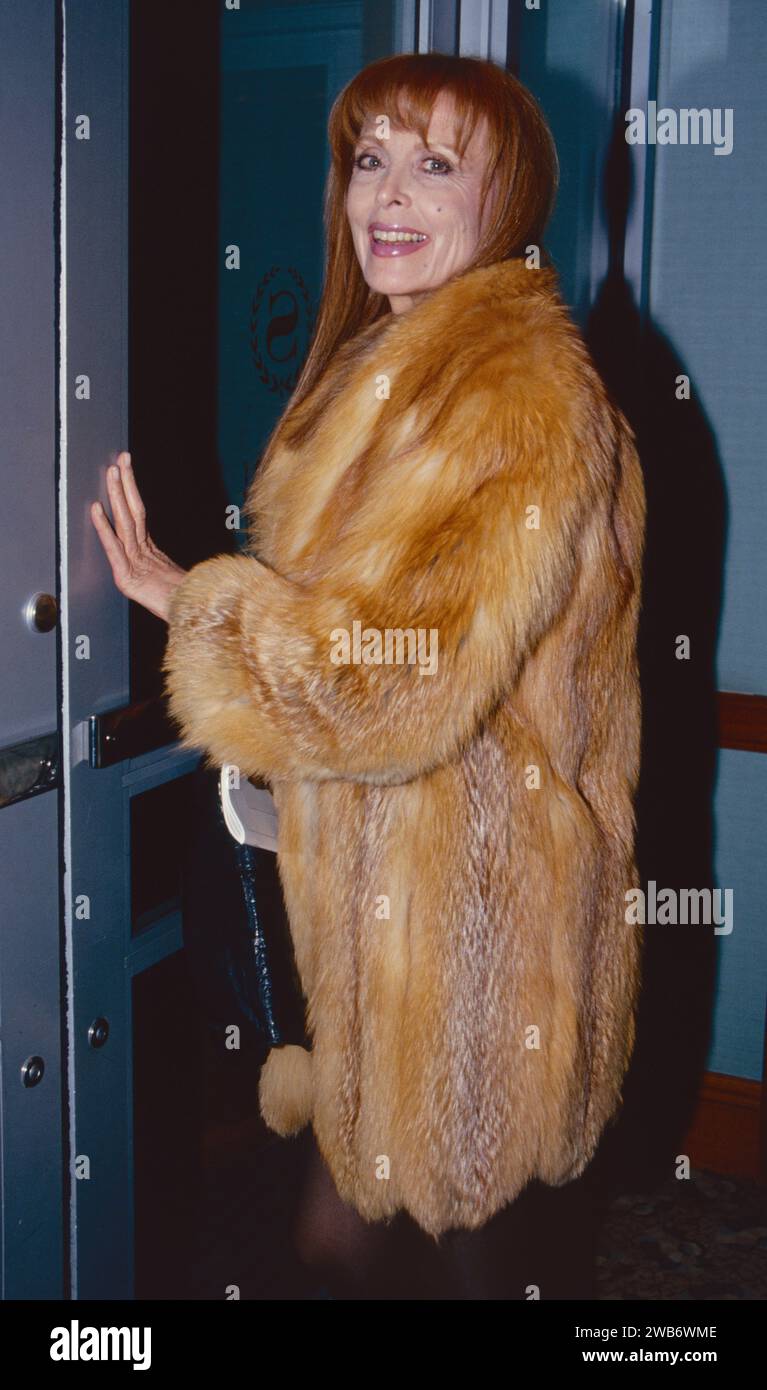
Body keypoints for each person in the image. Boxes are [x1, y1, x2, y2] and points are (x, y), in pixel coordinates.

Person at [91, 53, 646, 1298]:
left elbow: (387, 680)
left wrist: (197, 603)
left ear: (504, 199)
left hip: (478, 925)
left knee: (437, 1243)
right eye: (368, 158)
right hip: (398, 908)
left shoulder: (510, 392)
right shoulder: (390, 372)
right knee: (371, 1237)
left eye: (434, 163)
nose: (386, 194)